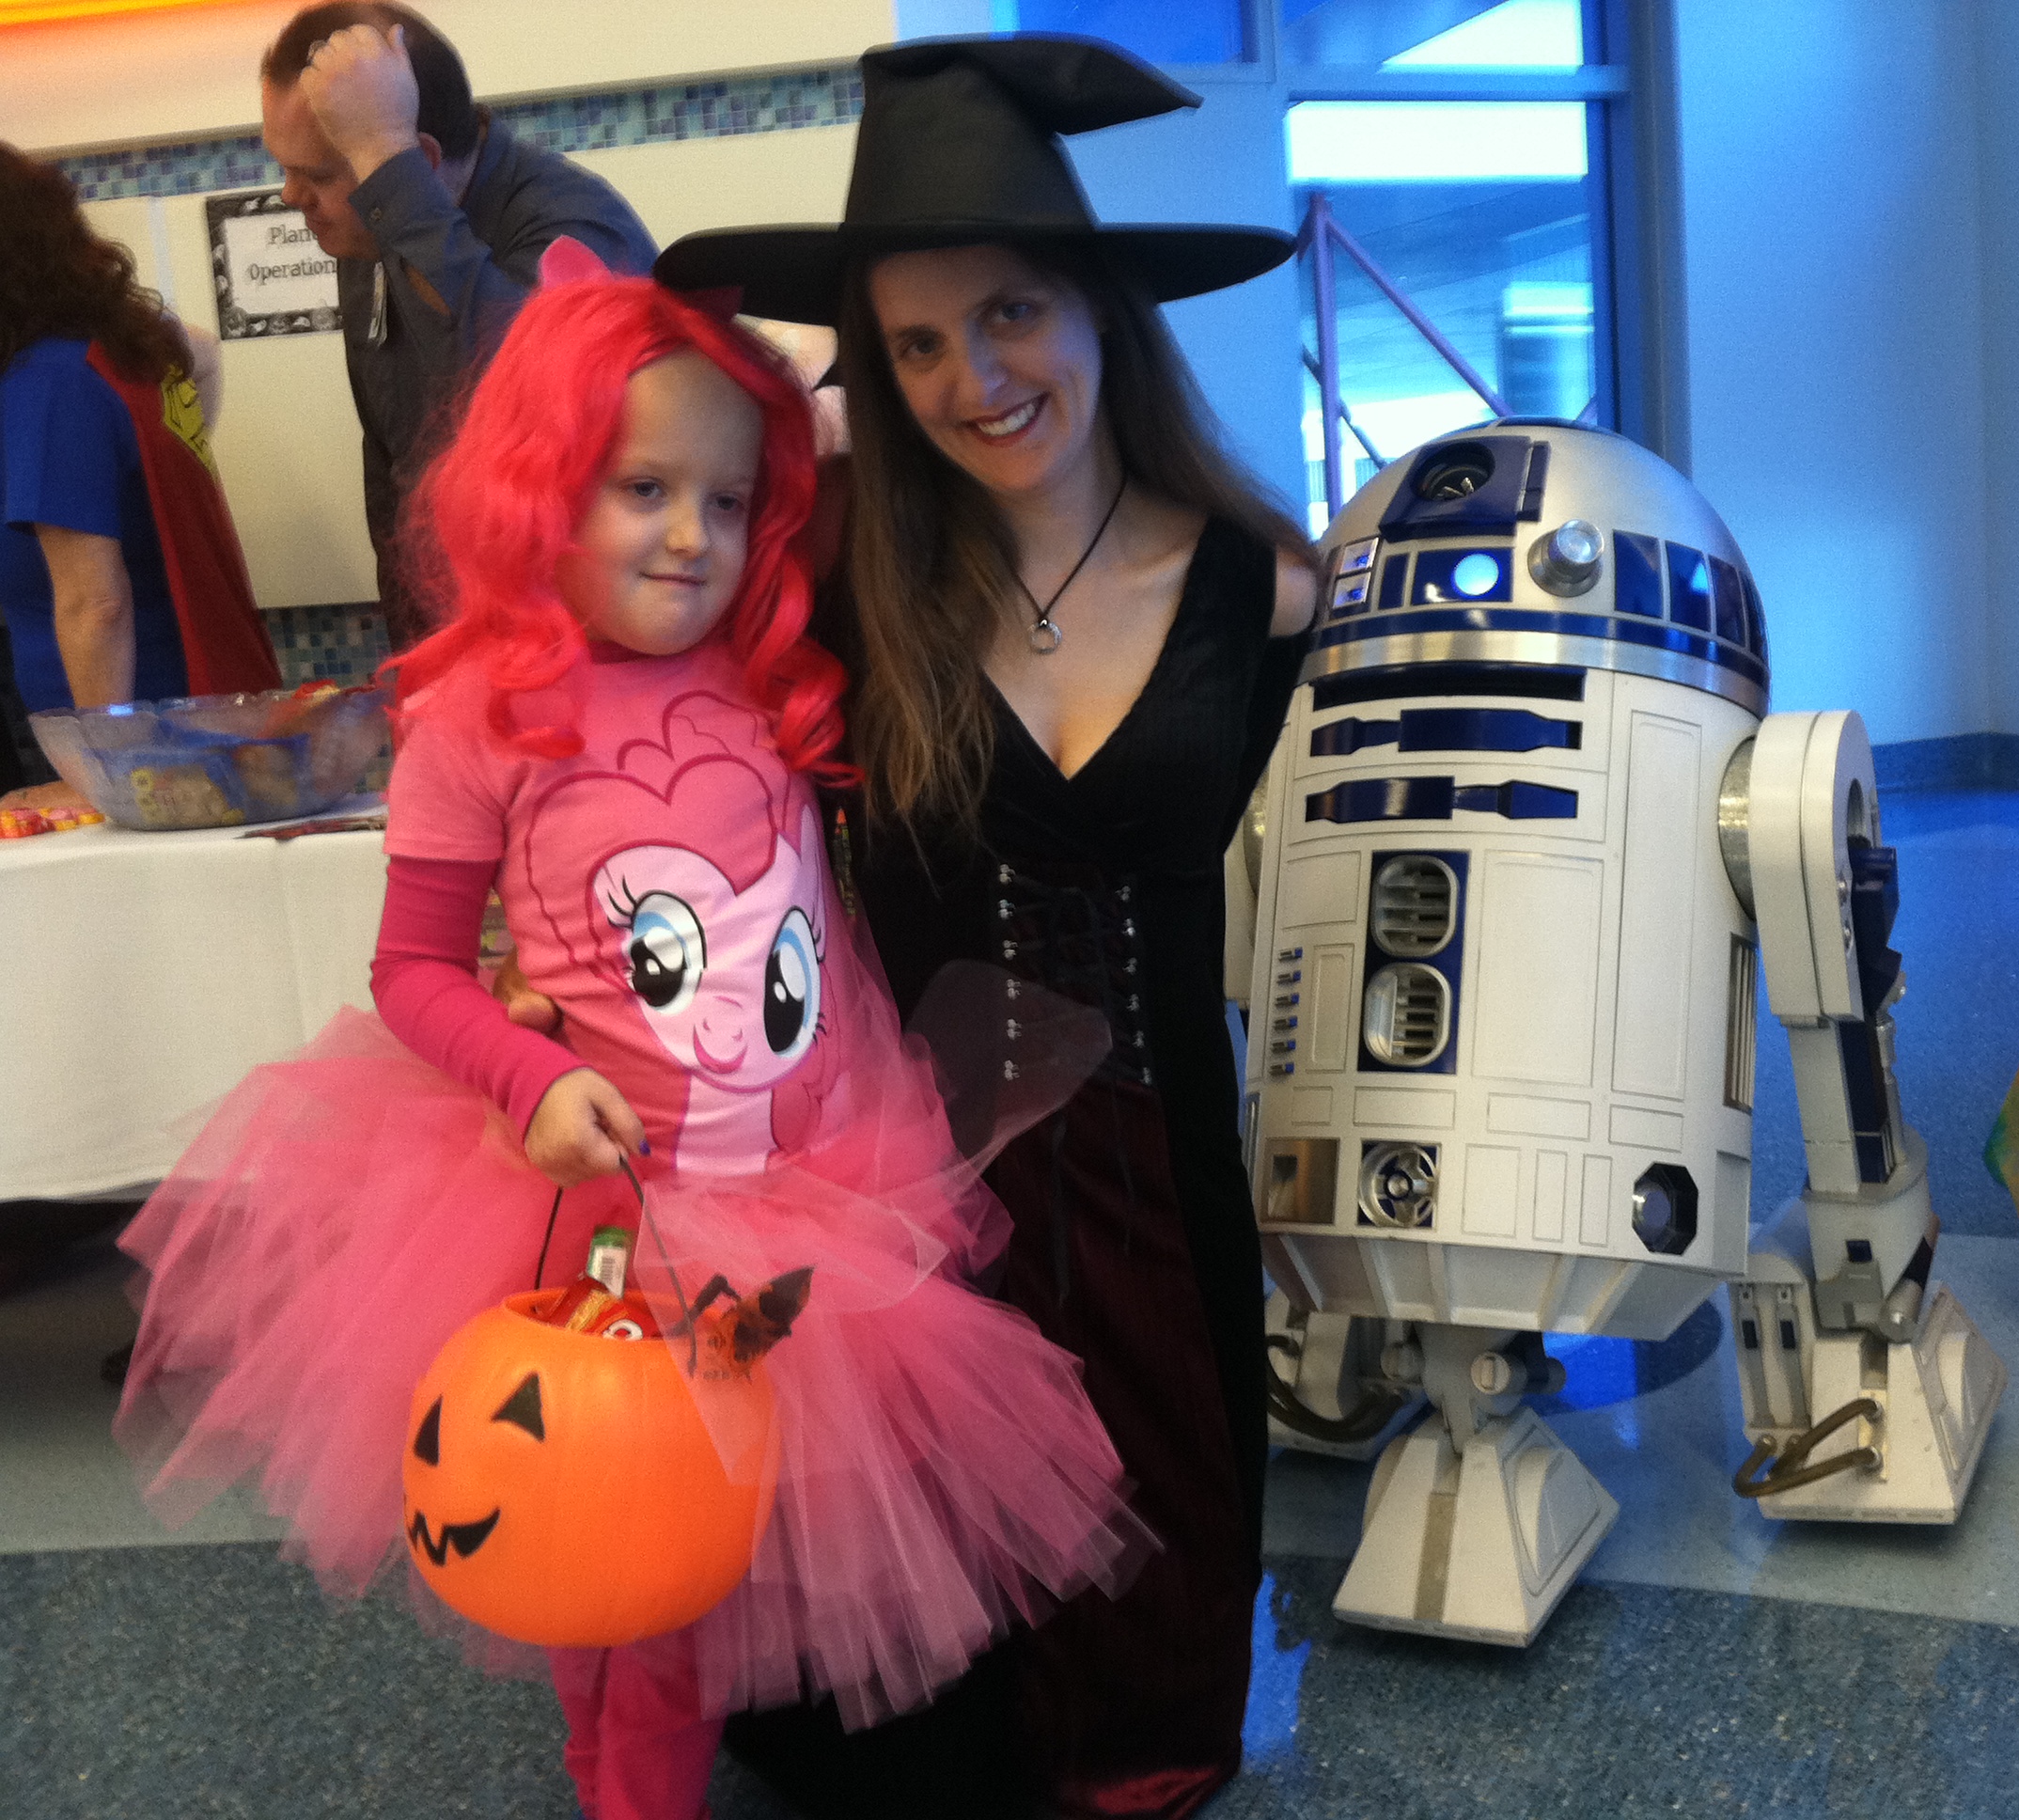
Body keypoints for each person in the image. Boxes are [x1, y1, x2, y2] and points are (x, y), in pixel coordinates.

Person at [114, 257, 1138, 1820]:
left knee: (714, 1557)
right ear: (540, 491)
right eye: (640, 488)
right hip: (611, 1224)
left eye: (726, 501)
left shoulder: (765, 678)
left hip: (810, 1204)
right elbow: (414, 972)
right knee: (623, 1557)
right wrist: (533, 1071)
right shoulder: (482, 716)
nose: (688, 537)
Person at [654, 35, 1317, 1820]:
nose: (975, 378)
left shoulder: (1266, 589)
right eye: (919, 345)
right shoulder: (840, 586)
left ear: (1100, 307)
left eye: (1010, 312)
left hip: (1165, 1162)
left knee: (1153, 1618)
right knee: (920, 1705)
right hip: (909, 1178)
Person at [259, 2, 656, 649]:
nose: (289, 197)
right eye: (284, 168)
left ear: (415, 159)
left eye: (317, 175)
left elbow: (517, 399)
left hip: (574, 651)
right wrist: (415, 668)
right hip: (454, 649)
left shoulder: (579, 229)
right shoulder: (376, 228)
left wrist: (386, 166)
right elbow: (396, 475)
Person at [0, 143, 279, 729]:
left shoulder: (48, 383)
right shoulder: (119, 343)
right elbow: (203, 348)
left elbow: (96, 605)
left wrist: (111, 759)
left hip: (148, 735)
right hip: (202, 701)